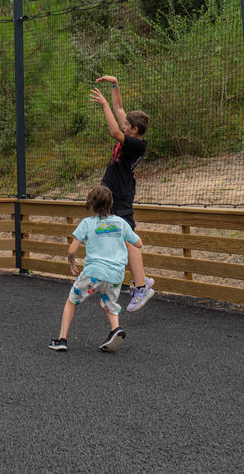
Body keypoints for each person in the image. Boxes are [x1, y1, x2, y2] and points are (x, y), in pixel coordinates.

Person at [49, 186, 142, 352]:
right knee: (109, 302)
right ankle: (115, 329)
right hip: (115, 275)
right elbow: (138, 243)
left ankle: (62, 339)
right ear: (111, 202)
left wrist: (72, 263)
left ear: (91, 204)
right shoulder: (121, 223)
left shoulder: (87, 223)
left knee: (72, 300)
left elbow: (71, 250)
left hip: (94, 273)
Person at [91, 75, 155, 312]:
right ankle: (140, 279)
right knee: (117, 236)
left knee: (129, 239)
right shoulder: (132, 132)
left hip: (122, 195)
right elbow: (119, 108)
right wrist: (115, 84)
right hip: (113, 194)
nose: (124, 124)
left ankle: (141, 287)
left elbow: (115, 132)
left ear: (134, 130)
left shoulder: (137, 144)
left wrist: (104, 106)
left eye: (127, 124)